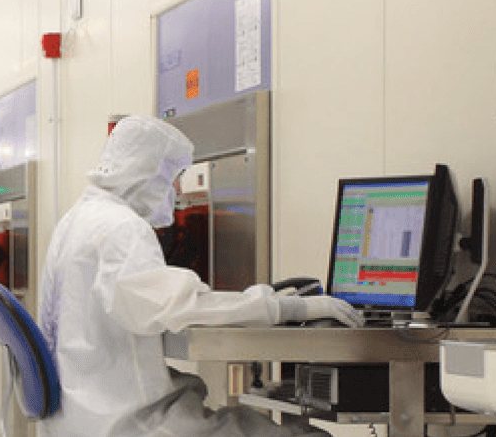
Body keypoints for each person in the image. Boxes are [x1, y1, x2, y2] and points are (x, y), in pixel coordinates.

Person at [40, 116, 363, 437]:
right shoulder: (121, 228)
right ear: (148, 172)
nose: (177, 190)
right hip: (131, 423)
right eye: (175, 178)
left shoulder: (77, 220)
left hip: (82, 418)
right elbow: (181, 306)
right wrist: (291, 308)